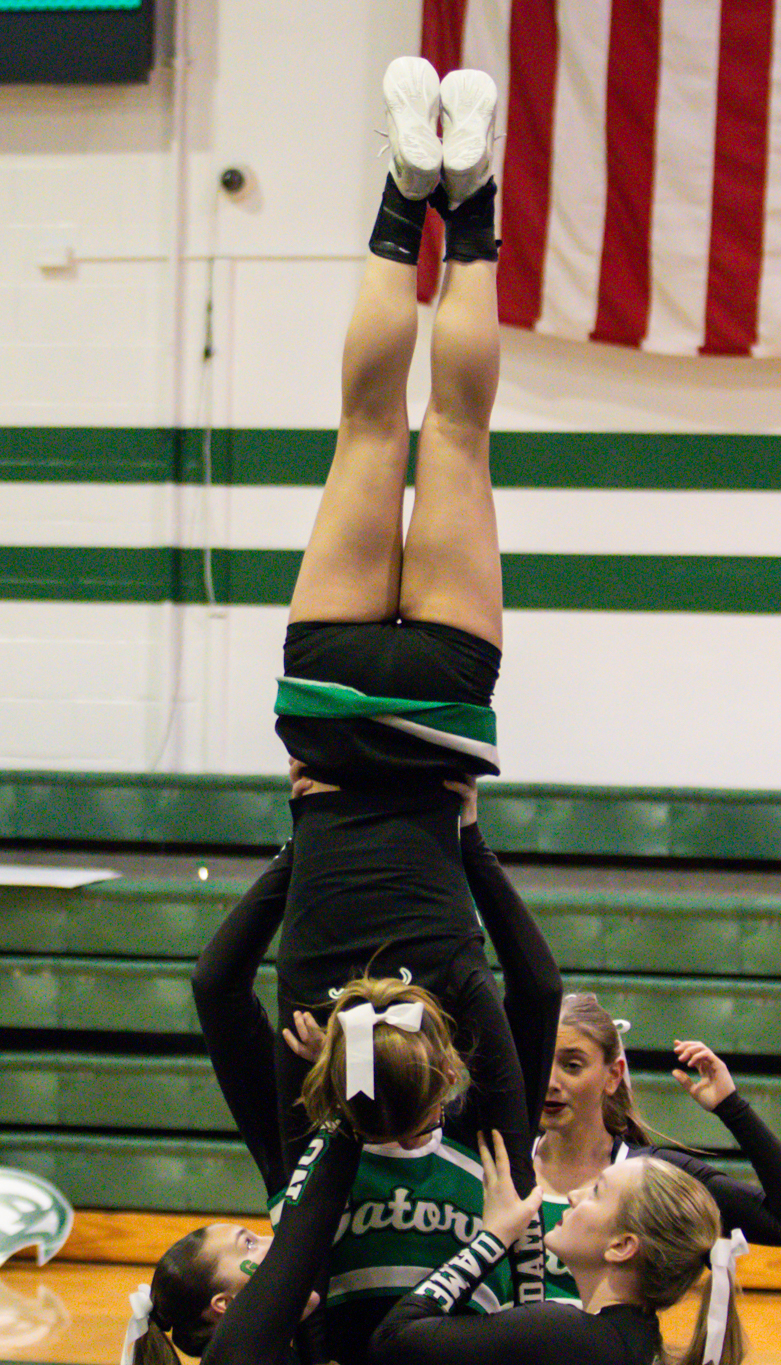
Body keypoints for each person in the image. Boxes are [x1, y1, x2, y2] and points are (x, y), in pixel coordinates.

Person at [269, 52, 535, 1197]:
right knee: (370, 426)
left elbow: (528, 989)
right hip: (323, 723)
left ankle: (463, 202)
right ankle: (399, 193)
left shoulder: (462, 1004)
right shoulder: (304, 1025)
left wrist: (463, 833)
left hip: (435, 734)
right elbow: (215, 975)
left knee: (459, 430)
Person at [128, 774, 559, 1365]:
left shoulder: (312, 1140)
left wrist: (309, 838)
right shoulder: (469, 1139)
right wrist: (470, 842)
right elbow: (538, 992)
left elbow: (216, 985)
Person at [533, 994, 781, 1301]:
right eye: (540, 1063)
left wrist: (732, 1108)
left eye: (572, 1065)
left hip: (604, 1348)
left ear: (613, 1075)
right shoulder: (491, 1160)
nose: (551, 1081)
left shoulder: (648, 1179)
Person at [368, 1133, 751, 1365]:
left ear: (621, 1246)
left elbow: (391, 1344)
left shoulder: (568, 1334)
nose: (573, 1196)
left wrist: (493, 1239)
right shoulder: (638, 1341)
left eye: (596, 1192)